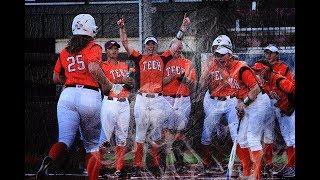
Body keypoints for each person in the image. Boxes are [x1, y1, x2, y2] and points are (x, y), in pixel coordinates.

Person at [36, 14, 113, 179]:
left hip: (67, 95)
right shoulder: (93, 47)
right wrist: (107, 84)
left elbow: (56, 78)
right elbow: (93, 68)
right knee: (92, 145)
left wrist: (71, 79)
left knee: (64, 140)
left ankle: (50, 159)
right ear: (91, 29)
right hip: (89, 95)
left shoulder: (65, 51)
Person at [117, 14, 191, 178]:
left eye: (153, 44)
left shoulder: (163, 58)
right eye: (148, 44)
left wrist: (183, 28)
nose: (150, 46)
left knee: (157, 133)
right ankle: (137, 164)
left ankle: (157, 164)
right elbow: (125, 44)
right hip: (142, 98)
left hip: (158, 99)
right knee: (141, 132)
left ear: (156, 46)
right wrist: (122, 28)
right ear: (145, 46)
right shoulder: (139, 57)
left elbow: (175, 44)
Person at [86, 40, 135, 180]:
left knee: (122, 139)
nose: (114, 51)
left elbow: (128, 87)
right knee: (104, 139)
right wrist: (121, 80)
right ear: (106, 51)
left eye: (116, 48)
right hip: (109, 102)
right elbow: (105, 89)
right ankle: (97, 167)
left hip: (123, 103)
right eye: (110, 48)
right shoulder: (102, 66)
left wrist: (130, 83)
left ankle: (119, 169)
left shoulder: (124, 65)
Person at [197, 35, 239, 175]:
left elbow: (230, 81)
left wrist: (220, 67)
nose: (217, 52)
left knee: (235, 134)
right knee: (207, 133)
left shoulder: (235, 63)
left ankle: (237, 163)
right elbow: (202, 84)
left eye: (220, 49)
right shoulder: (209, 62)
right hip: (214, 101)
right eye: (215, 49)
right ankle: (207, 163)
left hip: (231, 100)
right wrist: (205, 75)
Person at [251, 60, 295, 178]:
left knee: (292, 139)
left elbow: (293, 90)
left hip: (289, 111)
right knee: (288, 139)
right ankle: (291, 167)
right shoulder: (265, 82)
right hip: (281, 110)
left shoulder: (278, 79)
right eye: (256, 71)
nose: (257, 73)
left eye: (259, 71)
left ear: (266, 70)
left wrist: (291, 107)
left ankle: (293, 168)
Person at [161, 40, 197, 173]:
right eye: (176, 48)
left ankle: (179, 161)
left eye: (180, 49)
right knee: (166, 130)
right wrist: (172, 77)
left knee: (180, 131)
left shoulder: (187, 63)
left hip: (183, 99)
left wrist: (185, 80)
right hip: (166, 99)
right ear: (170, 48)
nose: (178, 51)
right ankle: (164, 161)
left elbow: (193, 84)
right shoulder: (164, 61)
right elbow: (159, 82)